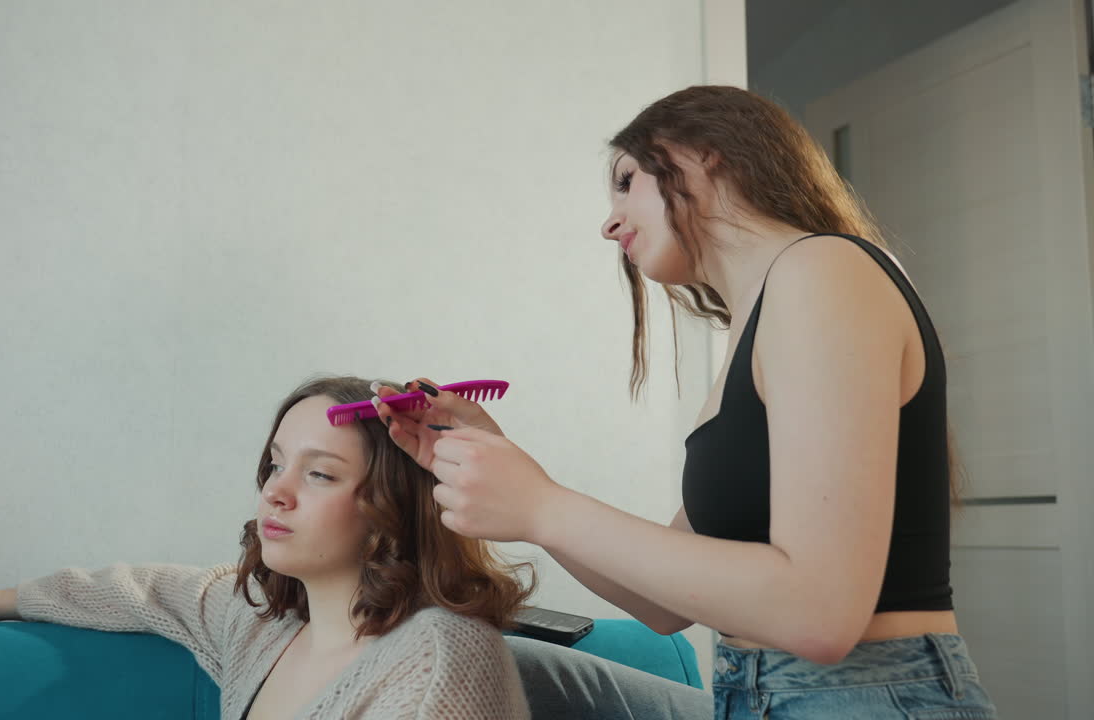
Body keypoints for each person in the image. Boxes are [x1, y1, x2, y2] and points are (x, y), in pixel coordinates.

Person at [374, 85, 998, 719]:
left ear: (706, 153)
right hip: (751, 691)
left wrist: (542, 507)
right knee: (517, 667)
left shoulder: (824, 270)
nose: (609, 222)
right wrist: (514, 477)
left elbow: (820, 613)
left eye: (625, 180)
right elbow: (663, 607)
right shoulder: (756, 323)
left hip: (864, 698)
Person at [0, 376, 536, 720]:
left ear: (390, 510)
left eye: (320, 474)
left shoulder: (439, 665)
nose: (276, 492)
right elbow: (147, 590)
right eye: (275, 465)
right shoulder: (261, 625)